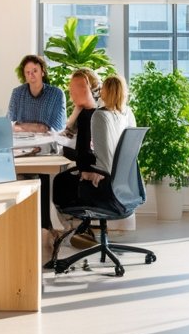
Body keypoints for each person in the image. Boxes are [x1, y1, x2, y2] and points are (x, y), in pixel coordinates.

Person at [52, 75, 136, 252]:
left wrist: (89, 173)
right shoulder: (127, 114)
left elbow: (102, 157)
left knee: (60, 181)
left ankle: (73, 231)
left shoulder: (99, 116)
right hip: (127, 186)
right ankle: (80, 231)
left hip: (105, 188)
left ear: (105, 91)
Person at [8, 54, 65, 133]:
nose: (31, 75)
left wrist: (21, 126)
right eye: (28, 72)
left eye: (35, 71)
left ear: (42, 72)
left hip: (46, 143)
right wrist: (38, 127)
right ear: (24, 76)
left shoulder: (56, 94)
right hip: (22, 142)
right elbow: (9, 125)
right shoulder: (17, 93)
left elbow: (57, 128)